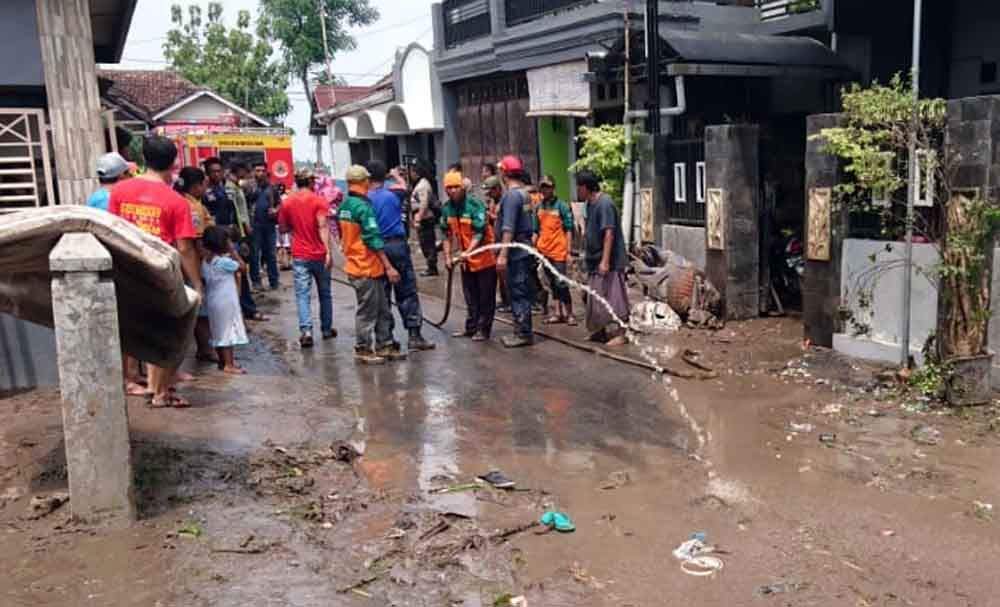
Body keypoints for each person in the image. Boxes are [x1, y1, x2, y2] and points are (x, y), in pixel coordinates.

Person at [109, 136, 203, 408]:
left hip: (125, 269)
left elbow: (112, 228)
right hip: (158, 273)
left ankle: (133, 381)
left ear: (143, 159)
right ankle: (160, 393)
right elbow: (185, 248)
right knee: (164, 332)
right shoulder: (176, 202)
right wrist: (197, 284)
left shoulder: (120, 191)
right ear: (174, 163)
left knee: (129, 328)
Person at [366, 160, 435, 352]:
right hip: (397, 246)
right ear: (383, 177)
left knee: (383, 295)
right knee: (407, 292)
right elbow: (405, 187)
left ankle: (386, 338)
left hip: (377, 248)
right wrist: (395, 175)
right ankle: (414, 336)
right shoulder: (394, 193)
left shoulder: (364, 199)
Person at [339, 165, 403, 364]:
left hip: (360, 265)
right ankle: (363, 348)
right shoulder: (362, 208)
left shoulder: (346, 206)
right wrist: (389, 267)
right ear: (363, 182)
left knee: (382, 308)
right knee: (368, 311)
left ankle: (384, 345)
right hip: (364, 267)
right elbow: (373, 239)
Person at [278, 169, 336, 348]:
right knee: (324, 293)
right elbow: (323, 226)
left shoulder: (287, 203)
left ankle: (306, 331)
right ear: (311, 182)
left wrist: (296, 228)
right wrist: (328, 252)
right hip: (319, 255)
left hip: (300, 255)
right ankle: (326, 329)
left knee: (302, 295)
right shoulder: (319, 201)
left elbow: (282, 228)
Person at [441, 171, 497, 341]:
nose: (452, 191)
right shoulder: (447, 209)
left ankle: (483, 330)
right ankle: (471, 328)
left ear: (463, 188)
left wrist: (467, 252)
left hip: (484, 260)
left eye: (456, 187)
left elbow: (479, 233)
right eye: (449, 188)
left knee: (485, 297)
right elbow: (446, 234)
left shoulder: (475, 205)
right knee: (470, 297)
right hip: (466, 263)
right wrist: (447, 257)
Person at [576, 170, 630, 346]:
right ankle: (599, 331)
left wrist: (605, 261)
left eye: (578, 186)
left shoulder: (604, 203)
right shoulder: (590, 204)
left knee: (615, 297)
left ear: (585, 187)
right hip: (594, 258)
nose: (577, 190)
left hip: (610, 261)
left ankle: (622, 333)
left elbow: (609, 233)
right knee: (594, 298)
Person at [175, 166, 217, 362]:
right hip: (192, 264)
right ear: (196, 186)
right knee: (200, 309)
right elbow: (196, 241)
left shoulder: (183, 201)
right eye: (203, 185)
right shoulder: (192, 207)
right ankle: (204, 348)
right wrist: (208, 261)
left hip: (180, 263)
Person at [494, 155, 536, 348]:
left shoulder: (511, 196)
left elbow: (508, 228)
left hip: (515, 253)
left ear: (504, 173)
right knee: (522, 289)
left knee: (518, 292)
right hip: (524, 249)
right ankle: (522, 330)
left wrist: (502, 255)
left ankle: (523, 333)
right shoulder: (525, 194)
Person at [200, 226, 249, 374]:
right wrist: (234, 252)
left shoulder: (206, 261)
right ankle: (229, 364)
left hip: (213, 300)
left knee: (217, 331)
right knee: (227, 331)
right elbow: (243, 268)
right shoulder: (223, 262)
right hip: (226, 301)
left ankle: (222, 361)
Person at [535, 175, 576, 325]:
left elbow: (569, 230)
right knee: (551, 284)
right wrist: (533, 250)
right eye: (543, 187)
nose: (545, 190)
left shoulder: (562, 206)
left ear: (553, 188)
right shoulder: (539, 207)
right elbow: (536, 230)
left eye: (548, 187)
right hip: (544, 252)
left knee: (561, 283)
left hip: (559, 252)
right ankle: (558, 313)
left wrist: (569, 252)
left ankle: (570, 314)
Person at [249, 162, 281, 290]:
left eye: (262, 170)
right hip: (254, 226)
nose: (260, 173)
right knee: (255, 254)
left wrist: (276, 210)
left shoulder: (272, 188)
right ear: (253, 172)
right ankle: (256, 281)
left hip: (269, 225)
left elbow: (279, 203)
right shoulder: (249, 187)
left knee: (271, 254)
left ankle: (274, 281)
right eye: (257, 170)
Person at [481, 176, 510, 313]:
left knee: (506, 275)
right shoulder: (493, 202)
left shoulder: (505, 202)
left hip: (504, 244)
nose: (489, 195)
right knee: (499, 276)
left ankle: (509, 301)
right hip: (494, 242)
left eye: (490, 191)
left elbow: (506, 223)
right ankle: (505, 300)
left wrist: (491, 216)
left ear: (497, 189)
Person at [410, 159, 439, 276]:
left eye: (412, 172)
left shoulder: (422, 185)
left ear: (416, 172)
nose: (410, 174)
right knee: (425, 243)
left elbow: (424, 203)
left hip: (425, 219)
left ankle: (432, 267)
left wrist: (418, 219)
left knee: (427, 244)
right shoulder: (421, 184)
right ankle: (430, 266)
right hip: (423, 218)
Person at [202, 157, 238, 228]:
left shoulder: (229, 188)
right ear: (207, 173)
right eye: (213, 171)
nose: (216, 174)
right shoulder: (203, 191)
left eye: (219, 171)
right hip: (212, 229)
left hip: (229, 228)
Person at [274, 183, 293, 271]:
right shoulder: (273, 198)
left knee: (287, 245)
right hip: (275, 224)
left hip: (285, 223)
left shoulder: (286, 197)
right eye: (279, 188)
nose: (280, 189)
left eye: (282, 188)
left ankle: (287, 263)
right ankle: (281, 263)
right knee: (278, 245)